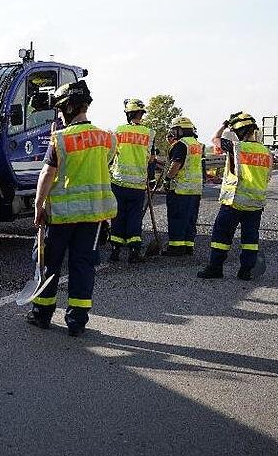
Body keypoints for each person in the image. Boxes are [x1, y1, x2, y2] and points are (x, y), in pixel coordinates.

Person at [29, 80, 117, 336]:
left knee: (49, 263)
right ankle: (77, 321)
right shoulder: (106, 138)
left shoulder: (61, 138)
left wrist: (38, 205)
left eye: (60, 109)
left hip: (61, 216)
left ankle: (42, 314)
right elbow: (103, 163)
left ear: (69, 107)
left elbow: (47, 174)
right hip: (93, 216)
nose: (58, 115)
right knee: (83, 266)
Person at [198, 112, 272, 280]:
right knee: (250, 239)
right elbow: (267, 177)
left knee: (221, 236)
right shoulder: (266, 152)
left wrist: (224, 126)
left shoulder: (236, 147)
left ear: (240, 132)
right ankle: (246, 271)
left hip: (234, 201)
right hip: (256, 204)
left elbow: (215, 139)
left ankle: (215, 268)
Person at [108, 98, 155, 263]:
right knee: (134, 217)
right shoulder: (149, 133)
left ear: (128, 114)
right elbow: (151, 159)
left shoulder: (118, 131)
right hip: (137, 184)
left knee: (118, 216)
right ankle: (134, 252)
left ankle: (115, 251)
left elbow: (111, 153)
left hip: (118, 181)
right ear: (141, 114)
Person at [162, 117, 203, 256]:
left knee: (177, 218)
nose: (173, 133)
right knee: (190, 219)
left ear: (180, 130)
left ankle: (176, 247)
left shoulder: (181, 145)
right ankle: (188, 246)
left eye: (174, 130)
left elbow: (176, 164)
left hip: (181, 189)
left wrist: (167, 179)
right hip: (195, 189)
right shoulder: (197, 144)